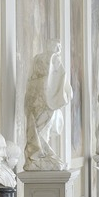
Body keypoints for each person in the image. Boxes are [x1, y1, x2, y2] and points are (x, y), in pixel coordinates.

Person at [23, 41, 73, 171]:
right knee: (43, 128)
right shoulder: (54, 58)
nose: (59, 48)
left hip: (34, 96)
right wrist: (67, 93)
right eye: (58, 45)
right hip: (46, 98)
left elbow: (31, 78)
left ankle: (38, 154)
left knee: (36, 127)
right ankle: (40, 155)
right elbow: (62, 77)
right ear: (52, 46)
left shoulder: (36, 58)